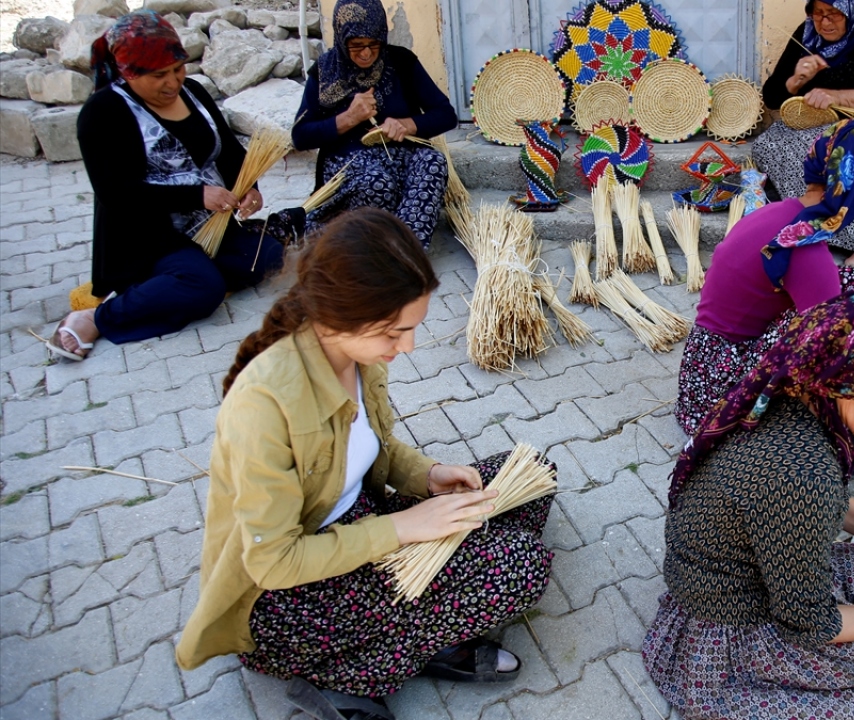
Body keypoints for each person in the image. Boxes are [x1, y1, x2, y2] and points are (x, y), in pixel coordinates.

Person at [175, 209, 553, 719]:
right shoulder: (264, 405)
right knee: (520, 566)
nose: (408, 346)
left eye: (411, 328)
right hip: (289, 600)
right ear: (341, 315)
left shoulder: (357, 355)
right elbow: (274, 562)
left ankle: (418, 624)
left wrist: (426, 475)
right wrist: (403, 528)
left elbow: (374, 447)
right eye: (394, 332)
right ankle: (353, 673)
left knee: (531, 477)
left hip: (360, 522)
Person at [645, 285, 854, 720]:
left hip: (730, 567)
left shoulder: (800, 390)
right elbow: (814, 624)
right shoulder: (802, 473)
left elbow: (827, 497)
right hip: (727, 630)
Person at [47, 10, 293, 362]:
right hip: (147, 236)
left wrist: (249, 186)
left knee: (267, 257)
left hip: (209, 225)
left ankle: (178, 282)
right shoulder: (103, 112)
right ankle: (96, 318)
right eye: (158, 75)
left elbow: (228, 151)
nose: (172, 82)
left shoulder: (194, 92)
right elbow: (116, 194)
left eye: (178, 69)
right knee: (204, 288)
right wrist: (197, 195)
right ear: (129, 73)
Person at [676, 119, 854, 443]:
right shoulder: (805, 248)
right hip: (720, 396)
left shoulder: (776, 212)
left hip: (699, 372)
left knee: (848, 287)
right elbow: (830, 341)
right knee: (851, 322)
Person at [292, 0, 458, 249]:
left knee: (433, 162)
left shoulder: (401, 61)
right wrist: (349, 118)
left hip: (401, 156)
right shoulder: (325, 72)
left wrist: (407, 124)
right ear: (342, 39)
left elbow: (446, 115)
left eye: (374, 44)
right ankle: (368, 248)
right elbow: (300, 136)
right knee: (378, 183)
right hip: (349, 164)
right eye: (356, 45)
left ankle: (407, 251)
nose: (366, 53)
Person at [754, 0, 854, 251]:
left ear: (851, 9)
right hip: (816, 129)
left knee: (842, 154)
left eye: (834, 14)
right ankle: (813, 223)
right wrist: (797, 79)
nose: (824, 22)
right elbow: (772, 96)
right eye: (818, 13)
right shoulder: (807, 33)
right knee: (769, 143)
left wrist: (837, 97)